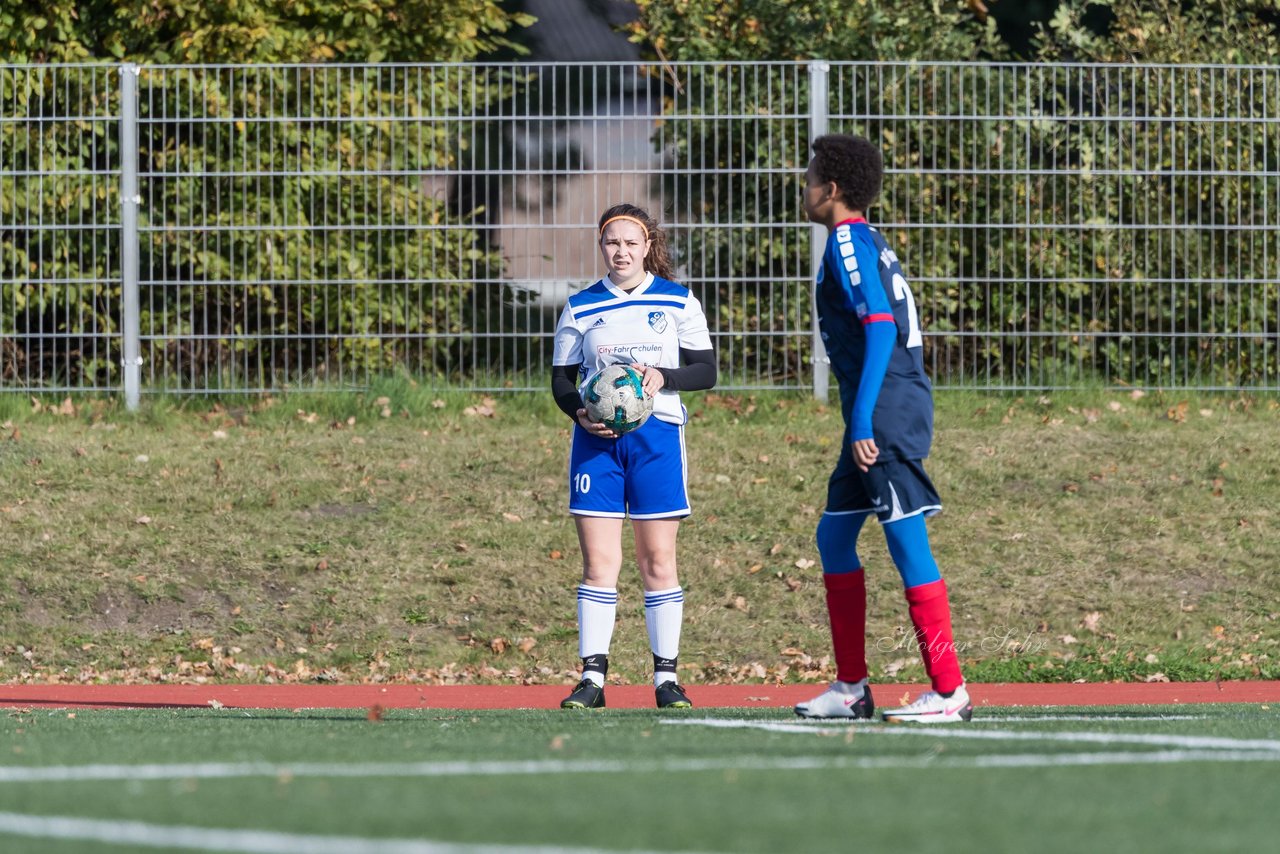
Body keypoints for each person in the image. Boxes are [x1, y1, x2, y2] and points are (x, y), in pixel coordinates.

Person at [794, 134, 972, 723]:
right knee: (834, 539)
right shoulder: (861, 239)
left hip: (885, 411)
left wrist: (864, 418)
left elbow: (879, 328)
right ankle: (851, 690)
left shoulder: (847, 240)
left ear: (832, 189)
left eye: (811, 174)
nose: (805, 184)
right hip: (875, 410)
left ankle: (949, 691)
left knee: (905, 539)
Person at [550, 203, 717, 710]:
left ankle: (667, 680)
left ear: (648, 246)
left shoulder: (677, 301)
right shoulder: (580, 306)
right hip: (596, 445)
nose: (620, 251)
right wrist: (579, 411)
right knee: (599, 564)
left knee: (657, 561)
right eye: (610, 243)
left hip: (657, 440)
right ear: (601, 248)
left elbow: (706, 370)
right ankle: (593, 680)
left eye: (629, 243)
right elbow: (560, 380)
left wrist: (664, 377)